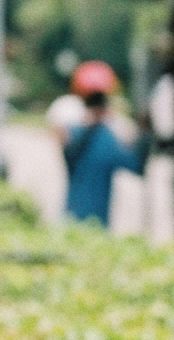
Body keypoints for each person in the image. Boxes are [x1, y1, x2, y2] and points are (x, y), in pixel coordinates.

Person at [62, 66, 146, 226]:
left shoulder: (73, 132)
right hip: (96, 219)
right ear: (105, 108)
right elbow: (135, 165)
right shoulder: (106, 138)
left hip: (70, 214)